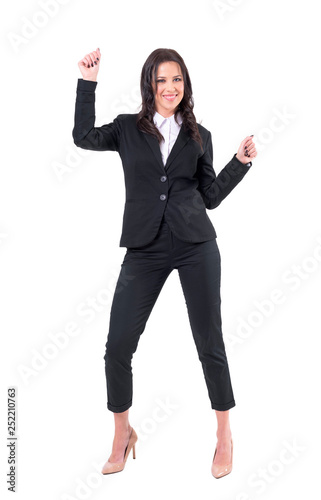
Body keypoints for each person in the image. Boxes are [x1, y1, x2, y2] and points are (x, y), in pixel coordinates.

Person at [72, 47, 257, 478]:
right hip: (145, 247)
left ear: (185, 84)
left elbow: (209, 196)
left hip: (195, 245)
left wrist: (239, 164)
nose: (170, 88)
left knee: (210, 342)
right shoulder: (126, 129)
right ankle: (122, 434)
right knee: (117, 345)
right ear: (149, 85)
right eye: (161, 80)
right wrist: (87, 83)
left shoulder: (199, 135)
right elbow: (83, 137)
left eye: (177, 80)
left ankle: (224, 434)